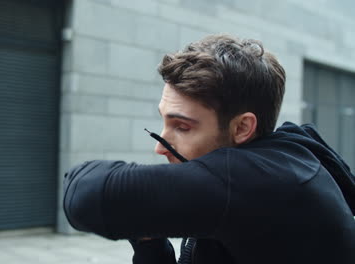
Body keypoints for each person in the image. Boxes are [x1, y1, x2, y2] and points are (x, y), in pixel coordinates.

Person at [62, 34, 355, 264]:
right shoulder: (259, 170)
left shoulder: (263, 183)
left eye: (183, 127)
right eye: (164, 121)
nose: (160, 148)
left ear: (242, 128)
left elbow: (86, 196)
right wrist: (148, 239)